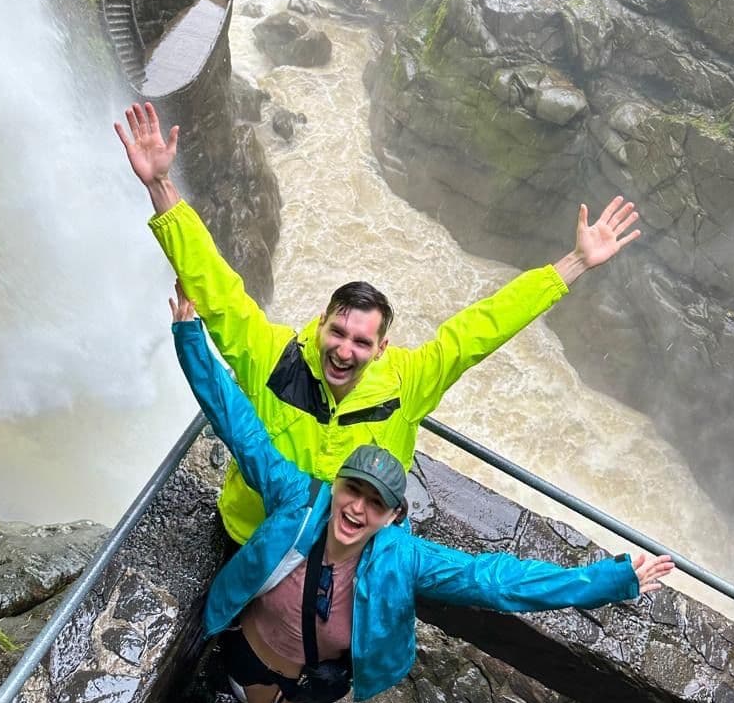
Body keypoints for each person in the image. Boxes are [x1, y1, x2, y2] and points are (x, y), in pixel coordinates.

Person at [168, 284, 674, 703]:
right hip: (258, 645)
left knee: (295, 697)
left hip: (320, 671)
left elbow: (496, 581)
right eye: (352, 490)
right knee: (255, 686)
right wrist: (191, 337)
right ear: (333, 484)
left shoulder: (402, 558)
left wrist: (611, 581)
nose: (357, 509)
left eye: (375, 503)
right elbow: (238, 424)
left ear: (392, 517)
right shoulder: (295, 498)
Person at [116, 101, 641, 547]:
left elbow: (482, 328)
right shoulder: (271, 354)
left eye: (361, 342)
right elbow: (217, 288)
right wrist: (161, 185)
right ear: (320, 325)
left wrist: (571, 265)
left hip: (339, 556)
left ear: (383, 346)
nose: (344, 350)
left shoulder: (409, 381)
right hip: (252, 535)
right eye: (338, 333)